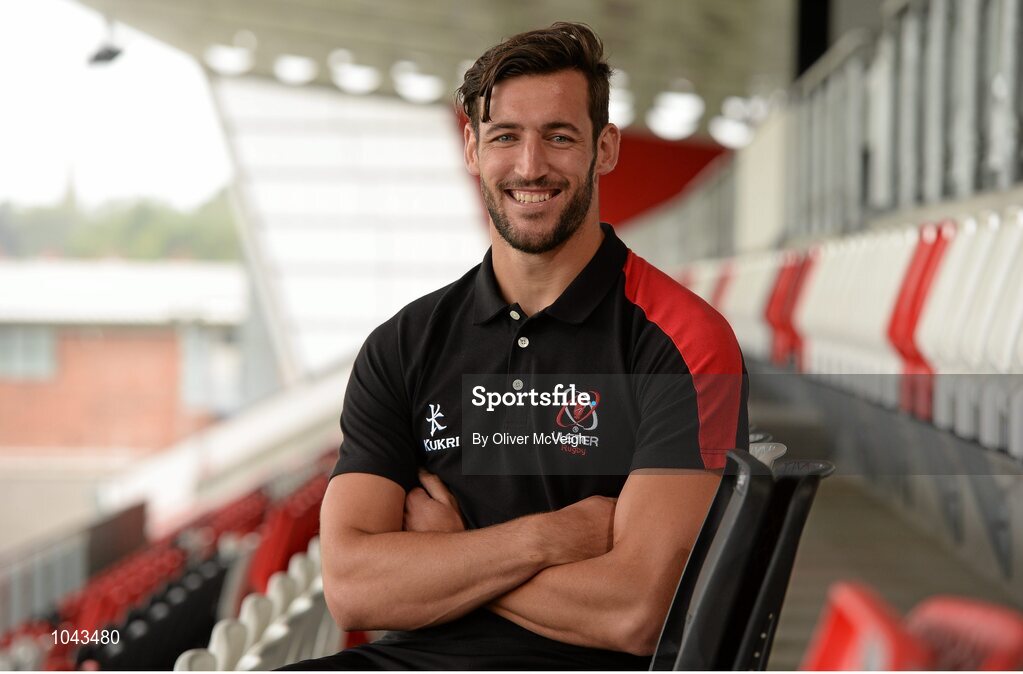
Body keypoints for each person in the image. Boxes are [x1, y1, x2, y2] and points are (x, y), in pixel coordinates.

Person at [282, 21, 748, 671]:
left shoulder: (686, 341)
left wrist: (454, 551)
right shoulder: (402, 346)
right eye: (505, 137)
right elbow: (354, 587)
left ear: (604, 148)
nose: (530, 167)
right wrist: (544, 539)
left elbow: (639, 611)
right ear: (472, 147)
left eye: (559, 136)